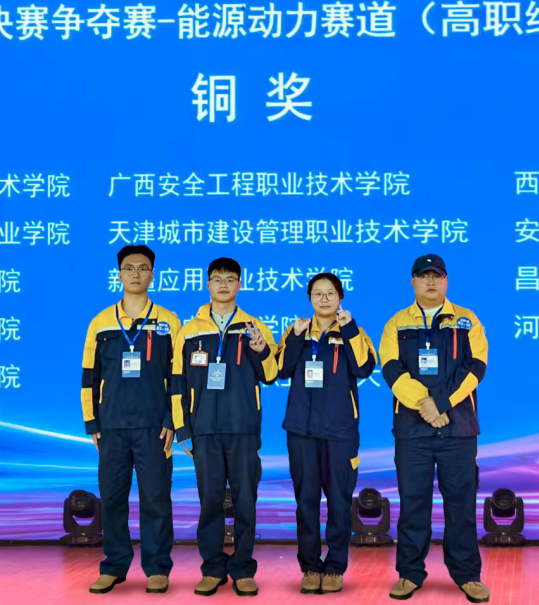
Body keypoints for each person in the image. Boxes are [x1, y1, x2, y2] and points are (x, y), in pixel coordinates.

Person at [379, 254, 490, 603]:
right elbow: (391, 369)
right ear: (413, 281)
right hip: (412, 432)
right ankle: (409, 574)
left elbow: (476, 366)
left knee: (461, 505)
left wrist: (439, 403)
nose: (431, 281)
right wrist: (424, 405)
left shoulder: (467, 320)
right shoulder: (397, 323)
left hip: (458, 430)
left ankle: (467, 575)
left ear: (446, 281)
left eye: (437, 276)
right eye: (424, 276)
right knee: (413, 505)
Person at [169, 257, 278, 597]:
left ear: (239, 284)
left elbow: (271, 374)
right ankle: (213, 569)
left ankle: (243, 569)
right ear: (207, 284)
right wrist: (182, 429)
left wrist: (261, 349)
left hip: (244, 429)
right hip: (204, 430)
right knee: (210, 503)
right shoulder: (189, 331)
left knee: (245, 503)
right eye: (217, 279)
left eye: (230, 279)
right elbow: (176, 382)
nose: (223, 285)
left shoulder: (254, 327)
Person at [81, 245, 182, 595]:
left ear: (152, 274)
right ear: (119, 274)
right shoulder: (101, 322)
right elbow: (89, 377)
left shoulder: (169, 322)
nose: (136, 274)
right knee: (112, 498)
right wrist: (92, 423)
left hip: (155, 428)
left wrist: (172, 419)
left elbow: (178, 377)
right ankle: (113, 565)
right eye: (129, 268)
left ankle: (157, 567)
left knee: (156, 499)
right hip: (112, 427)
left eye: (142, 268)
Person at [276, 273, 377, 595]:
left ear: (340, 297)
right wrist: (295, 337)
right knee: (305, 501)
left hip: (340, 432)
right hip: (301, 431)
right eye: (317, 293)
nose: (324, 299)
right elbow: (280, 370)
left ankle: (334, 567)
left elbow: (364, 367)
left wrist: (349, 330)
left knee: (338, 501)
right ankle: (309, 566)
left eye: (330, 293)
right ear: (309, 298)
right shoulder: (296, 331)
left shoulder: (353, 331)